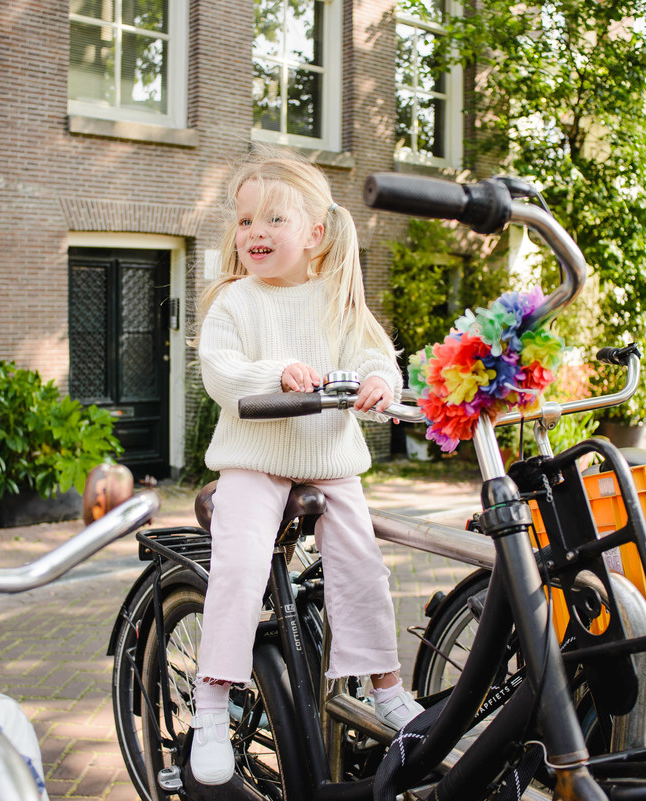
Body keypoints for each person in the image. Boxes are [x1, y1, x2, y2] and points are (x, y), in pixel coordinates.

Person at [190, 148, 424, 785]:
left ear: (316, 234)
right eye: (244, 222)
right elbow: (220, 370)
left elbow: (376, 356)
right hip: (255, 458)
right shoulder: (235, 302)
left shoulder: (337, 301)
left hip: (327, 457)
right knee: (237, 564)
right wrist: (277, 373)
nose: (254, 233)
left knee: (363, 566)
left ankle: (385, 685)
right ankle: (211, 702)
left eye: (273, 220)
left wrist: (379, 383)